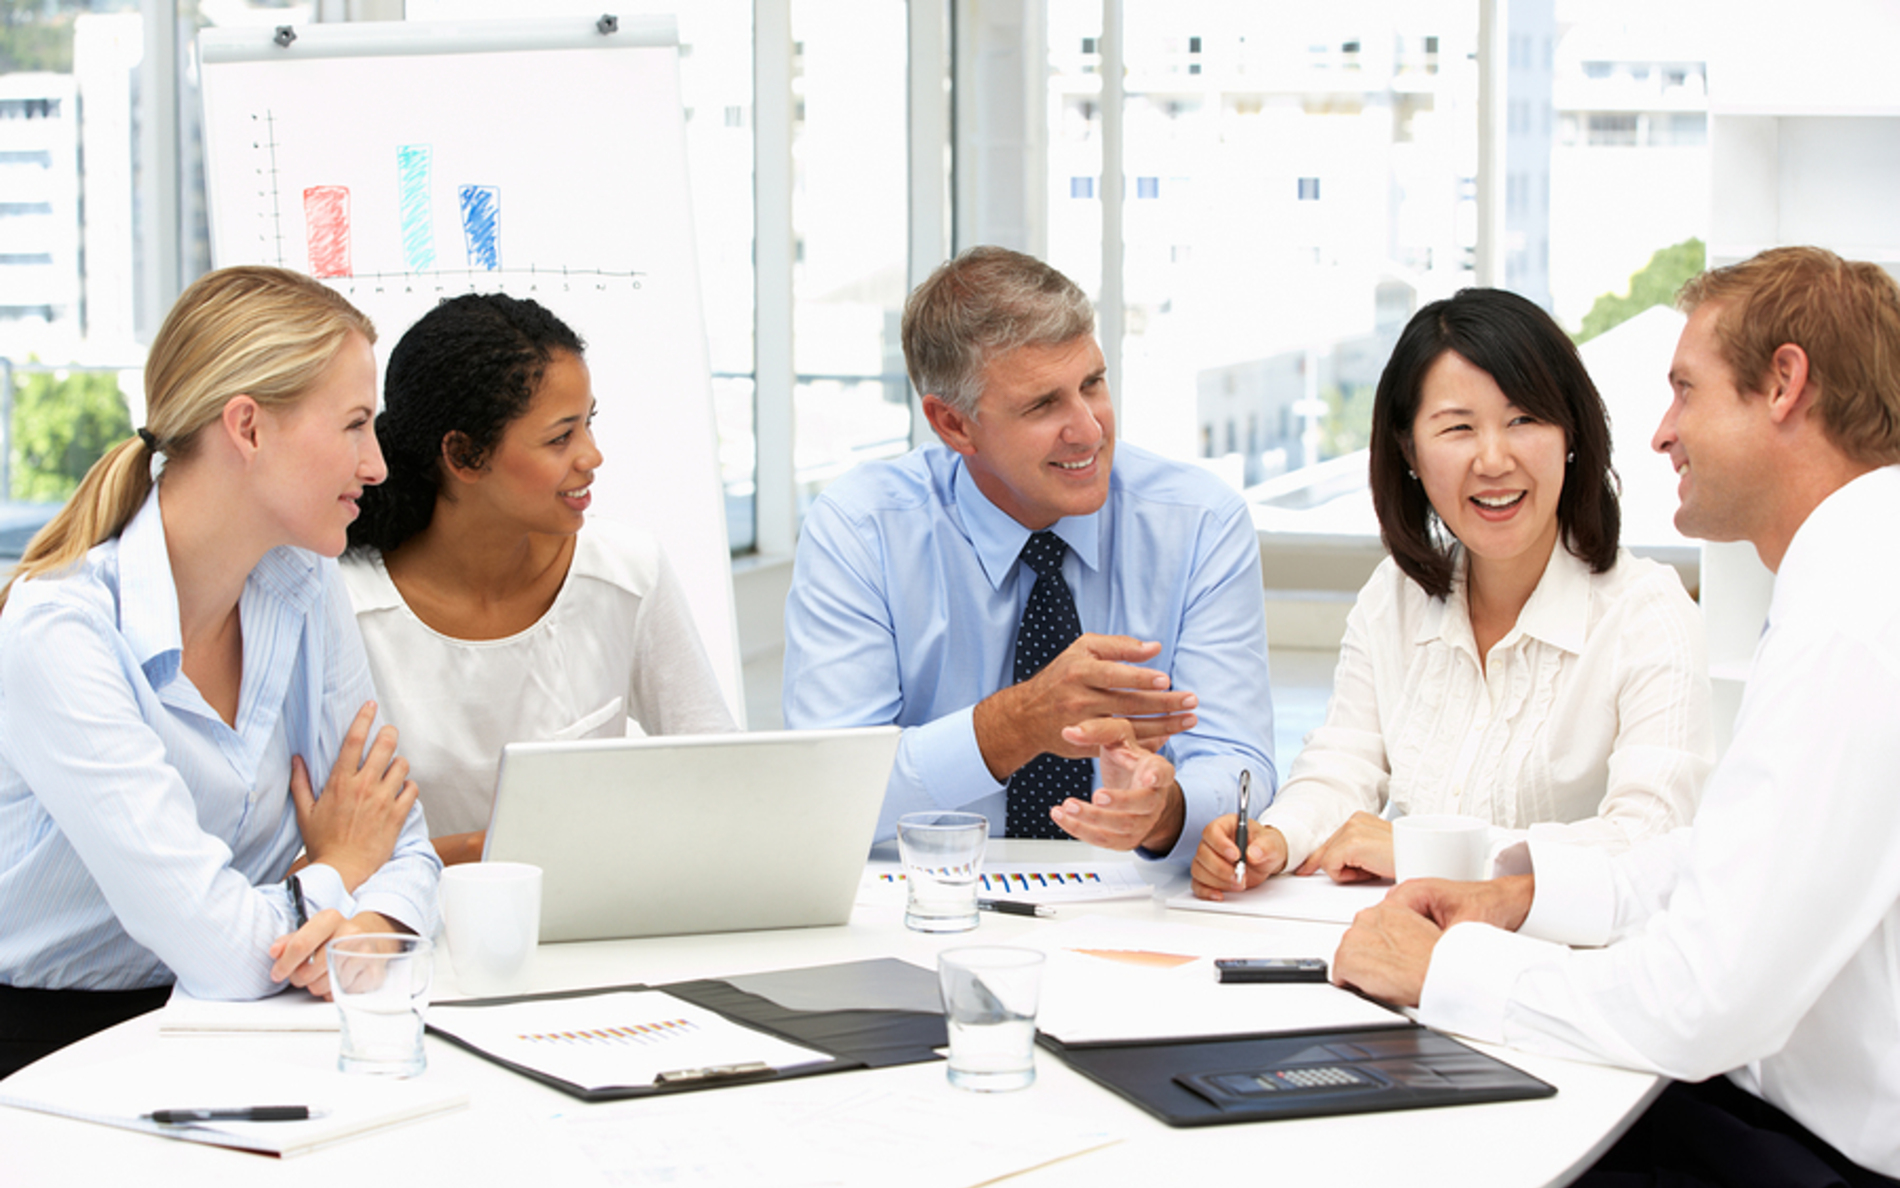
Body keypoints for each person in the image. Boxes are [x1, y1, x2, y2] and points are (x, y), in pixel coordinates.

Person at [1335, 246, 1900, 1188]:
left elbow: (1701, 1003)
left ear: (1783, 384)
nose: (1662, 430)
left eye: (1685, 390)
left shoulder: (1855, 620)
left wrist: (1446, 968)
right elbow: (1733, 858)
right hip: (1770, 1132)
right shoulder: (1852, 576)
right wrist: (1523, 894)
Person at [0, 266, 440, 1079]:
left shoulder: (307, 588)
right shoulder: (59, 632)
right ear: (247, 427)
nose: (375, 465)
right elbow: (218, 946)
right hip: (53, 1048)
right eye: (352, 425)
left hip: (264, 1023)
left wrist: (362, 919)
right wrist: (337, 870)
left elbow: (407, 852)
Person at [1190, 288, 1712, 898]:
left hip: (1568, 969)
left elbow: (1650, 838)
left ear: (1572, 432)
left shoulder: (1648, 613)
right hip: (1404, 949)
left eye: (1523, 420)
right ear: (1409, 451)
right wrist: (1274, 839)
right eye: (1458, 428)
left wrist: (1425, 853)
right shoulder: (1395, 596)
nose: (1493, 460)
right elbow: (1344, 765)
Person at [782, 245, 1275, 857]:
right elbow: (828, 793)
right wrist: (1016, 725)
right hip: (927, 899)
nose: (1090, 431)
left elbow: (1240, 763)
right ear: (954, 425)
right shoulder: (863, 530)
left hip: (1135, 912)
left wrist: (1164, 812)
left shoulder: (1200, 521)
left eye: (1092, 384)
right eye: (1044, 405)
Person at [343, 294, 734, 866]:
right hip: (410, 939)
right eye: (560, 437)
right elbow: (322, 857)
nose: (592, 456)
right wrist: (491, 851)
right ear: (464, 455)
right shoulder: (346, 605)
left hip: (593, 929)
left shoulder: (627, 571)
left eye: (589, 424)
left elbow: (723, 781)